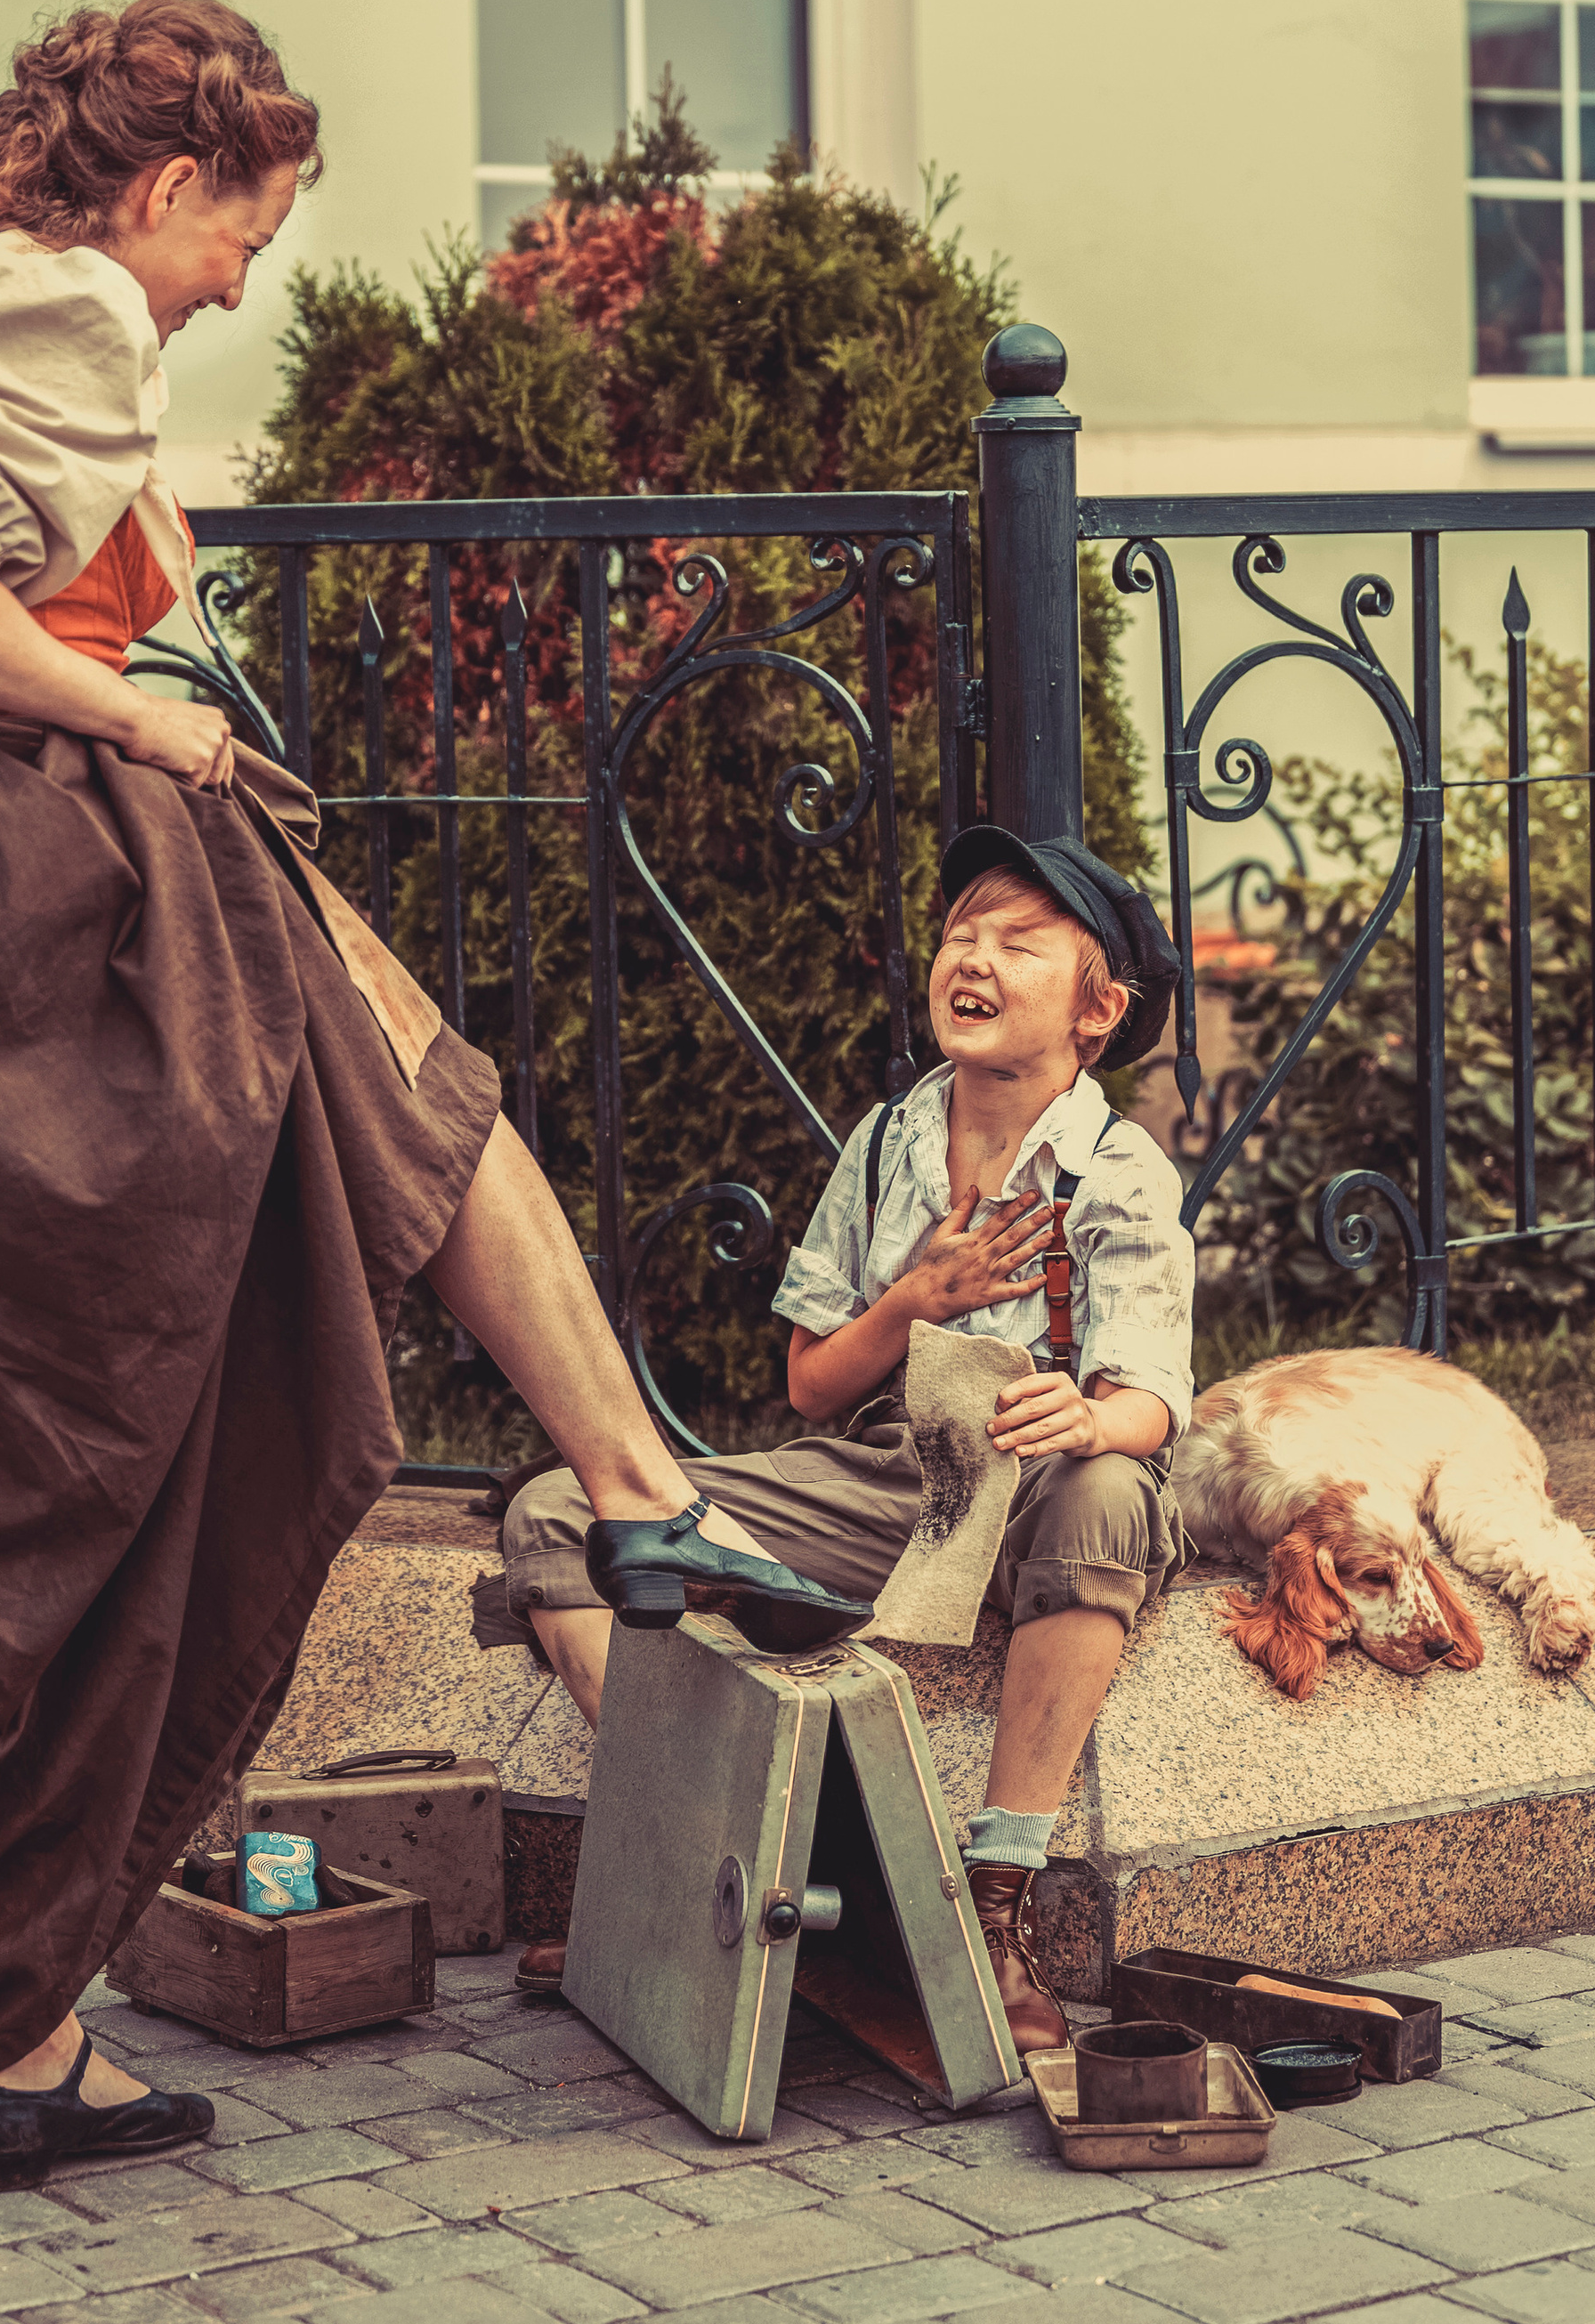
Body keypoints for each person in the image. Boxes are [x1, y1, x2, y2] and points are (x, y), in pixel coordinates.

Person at [0, 0, 863, 2193]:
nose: (240, 283)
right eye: (245, 231)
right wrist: (140, 727)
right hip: (20, 875)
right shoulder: (63, 306)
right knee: (409, 1102)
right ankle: (637, 1486)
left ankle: (30, 2032)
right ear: (162, 187)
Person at [504, 825, 1194, 2050]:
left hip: (1034, 1485)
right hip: (886, 1478)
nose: (972, 960)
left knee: (1108, 1490)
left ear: (1099, 1012)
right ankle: (716, 1858)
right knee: (565, 1511)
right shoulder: (886, 1144)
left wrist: (1090, 1416)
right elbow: (814, 1385)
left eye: (1019, 944)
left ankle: (994, 1909)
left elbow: (1149, 1398)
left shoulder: (1118, 1169)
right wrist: (913, 1302)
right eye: (960, 936)